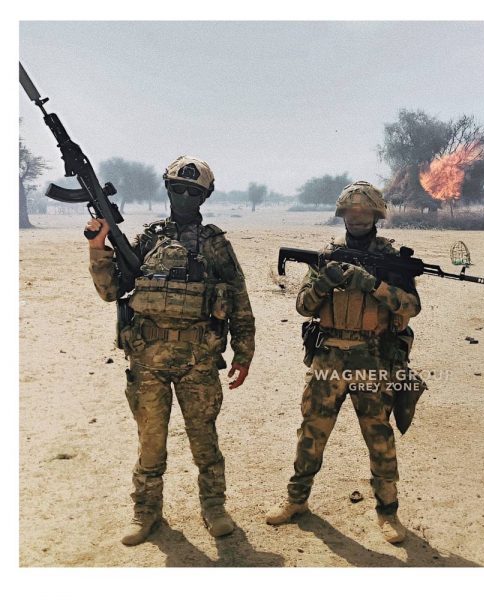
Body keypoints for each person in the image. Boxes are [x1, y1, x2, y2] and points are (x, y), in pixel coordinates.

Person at [86, 155, 255, 546]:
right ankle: (146, 513)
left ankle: (214, 508)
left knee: (205, 442)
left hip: (198, 362)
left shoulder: (216, 245)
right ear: (167, 189)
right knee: (150, 443)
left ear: (205, 196)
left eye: (193, 192)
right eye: (178, 189)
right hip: (147, 361)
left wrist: (243, 354)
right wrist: (98, 248)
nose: (184, 197)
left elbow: (240, 302)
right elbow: (111, 291)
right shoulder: (147, 240)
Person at [266, 181, 421, 544]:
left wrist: (373, 285)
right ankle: (296, 500)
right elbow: (303, 306)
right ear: (343, 214)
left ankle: (388, 512)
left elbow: (411, 306)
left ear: (376, 215)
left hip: (373, 358)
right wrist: (323, 283)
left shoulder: (391, 259)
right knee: (311, 433)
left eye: (365, 212)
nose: (358, 218)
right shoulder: (328, 255)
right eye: (352, 212)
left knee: (379, 437)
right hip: (328, 358)